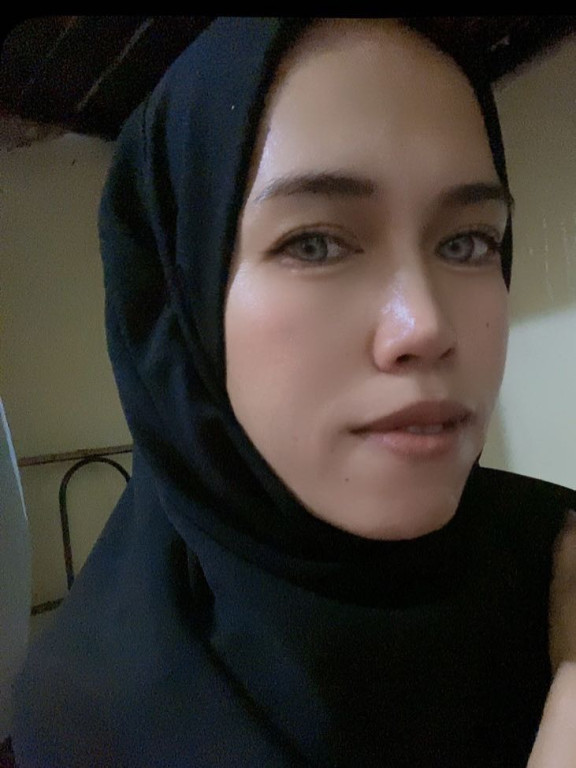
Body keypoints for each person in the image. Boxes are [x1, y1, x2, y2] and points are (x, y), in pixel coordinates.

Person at [10, 17, 576, 767]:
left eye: (468, 241)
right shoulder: (89, 718)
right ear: (181, 306)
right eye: (315, 242)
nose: (426, 326)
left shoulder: (558, 555)